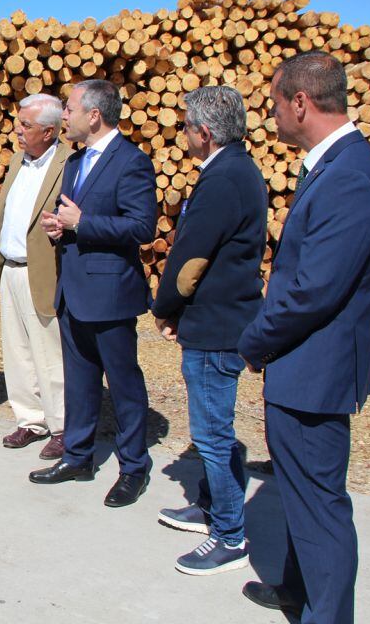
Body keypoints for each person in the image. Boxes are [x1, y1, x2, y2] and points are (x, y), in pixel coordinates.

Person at [237, 52, 370, 621]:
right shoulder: (334, 166)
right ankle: (297, 589)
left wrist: (254, 341)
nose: (272, 115)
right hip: (303, 366)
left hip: (314, 371)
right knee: (303, 498)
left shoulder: (350, 175)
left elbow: (314, 290)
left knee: (320, 506)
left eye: (276, 103)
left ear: (300, 102)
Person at [150, 87, 267, 575]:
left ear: (203, 132)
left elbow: (190, 258)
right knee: (216, 431)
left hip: (215, 325)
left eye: (184, 127)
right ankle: (213, 508)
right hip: (221, 318)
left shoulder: (223, 179)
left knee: (213, 434)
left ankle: (230, 537)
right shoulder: (242, 171)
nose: (181, 135)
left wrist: (165, 307)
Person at [31, 79, 157, 508]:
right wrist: (60, 227)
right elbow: (74, 219)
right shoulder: (76, 161)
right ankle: (78, 457)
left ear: (94, 115)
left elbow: (142, 227)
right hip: (75, 291)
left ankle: (133, 468)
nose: (63, 116)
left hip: (110, 294)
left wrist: (83, 224)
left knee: (123, 385)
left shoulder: (132, 162)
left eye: (69, 109)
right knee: (80, 383)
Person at [0, 94, 71, 459]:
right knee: (18, 351)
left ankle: (62, 426)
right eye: (19, 121)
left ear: (50, 130)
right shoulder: (15, 162)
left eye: (26, 125)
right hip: (9, 268)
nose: (18, 129)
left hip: (43, 271)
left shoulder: (68, 163)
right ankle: (29, 419)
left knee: (49, 352)